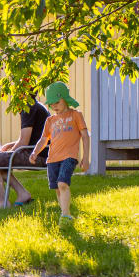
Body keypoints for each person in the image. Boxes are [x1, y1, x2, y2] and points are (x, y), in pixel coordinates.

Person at [29, 81, 89, 224]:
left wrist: (86, 158)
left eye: (57, 102)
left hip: (69, 156)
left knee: (63, 183)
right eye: (51, 104)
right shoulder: (50, 120)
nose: (54, 106)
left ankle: (66, 215)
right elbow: (43, 139)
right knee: (57, 188)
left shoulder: (76, 115)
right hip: (52, 159)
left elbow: (85, 136)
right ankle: (65, 214)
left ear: (65, 98)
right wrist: (35, 152)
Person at [0, 95, 51, 208]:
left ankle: (3, 202)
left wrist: (8, 154)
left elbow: (24, 142)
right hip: (43, 153)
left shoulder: (28, 107)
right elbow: (33, 138)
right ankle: (23, 194)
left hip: (36, 156)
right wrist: (10, 145)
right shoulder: (37, 105)